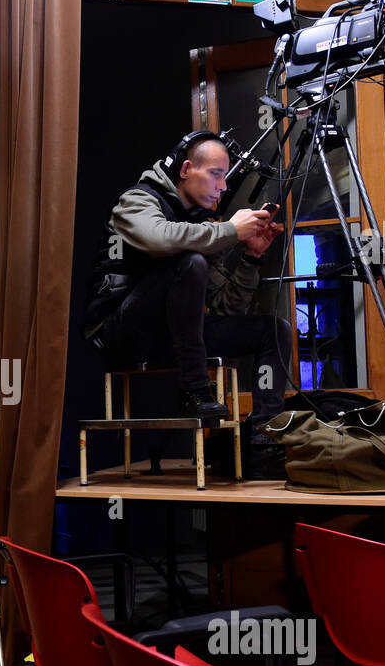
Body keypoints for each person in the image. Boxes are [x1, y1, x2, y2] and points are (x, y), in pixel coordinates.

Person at [83, 130, 293, 476]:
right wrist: (228, 230)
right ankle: (195, 391)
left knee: (273, 329)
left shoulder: (196, 227)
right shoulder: (136, 201)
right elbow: (158, 238)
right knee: (188, 260)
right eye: (216, 173)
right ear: (185, 170)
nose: (223, 186)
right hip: (120, 332)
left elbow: (226, 308)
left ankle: (263, 442)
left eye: (225, 175)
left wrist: (251, 258)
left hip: (176, 338)